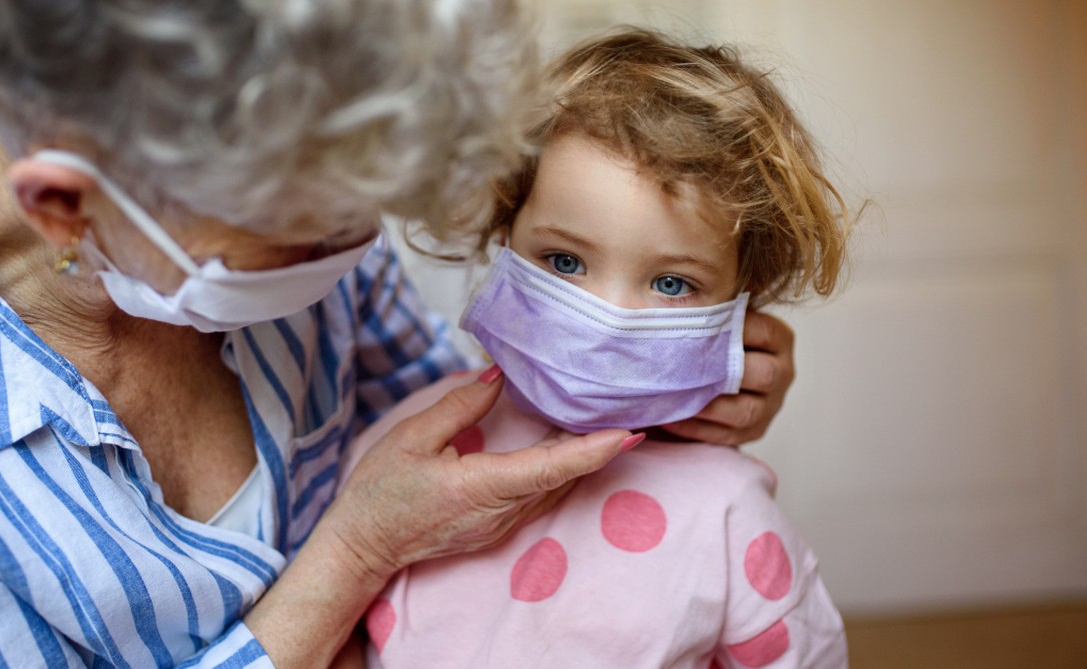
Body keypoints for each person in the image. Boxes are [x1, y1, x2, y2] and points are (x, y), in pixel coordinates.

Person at [0, 3, 797, 666]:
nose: (355, 253)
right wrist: (352, 553)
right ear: (66, 205)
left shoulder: (297, 204)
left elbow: (474, 434)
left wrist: (669, 383)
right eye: (299, 237)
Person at [343, 27, 852, 668]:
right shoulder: (410, 445)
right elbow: (343, 635)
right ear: (505, 234)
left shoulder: (728, 515)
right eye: (565, 261)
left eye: (671, 283)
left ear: (740, 302)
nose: (609, 323)